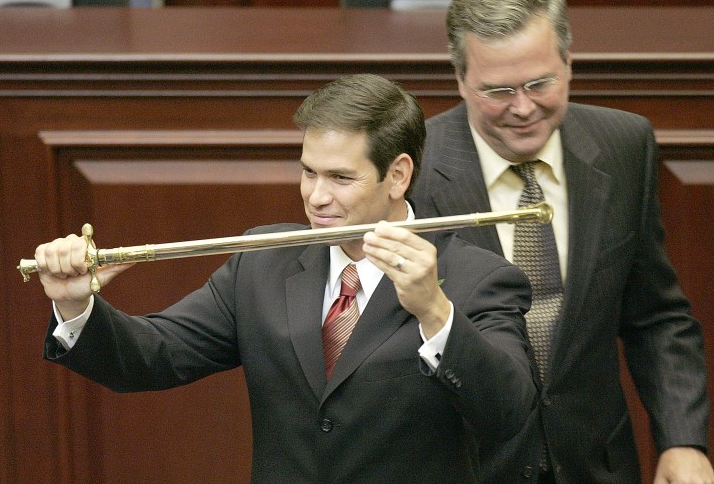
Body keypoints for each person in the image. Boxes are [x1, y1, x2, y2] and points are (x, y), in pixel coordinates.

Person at [34, 73, 537, 484]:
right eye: (309, 172)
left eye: (340, 178)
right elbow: (154, 357)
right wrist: (76, 307)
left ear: (398, 175)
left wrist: (435, 313)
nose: (316, 197)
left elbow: (508, 414)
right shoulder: (264, 260)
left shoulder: (478, 278)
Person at [410, 0, 713, 483]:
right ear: (461, 80)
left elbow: (655, 316)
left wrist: (682, 441)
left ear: (569, 64)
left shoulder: (624, 145)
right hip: (467, 467)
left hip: (597, 464)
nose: (523, 107)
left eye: (539, 83)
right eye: (498, 91)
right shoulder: (413, 168)